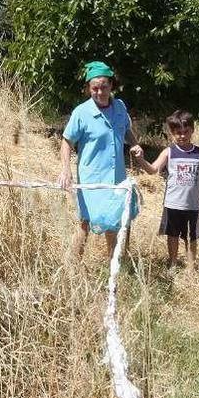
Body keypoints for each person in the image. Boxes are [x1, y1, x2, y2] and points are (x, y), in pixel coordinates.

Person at [58, 61, 143, 257]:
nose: (99, 92)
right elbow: (66, 142)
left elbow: (126, 128)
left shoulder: (120, 107)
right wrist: (66, 169)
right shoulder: (82, 113)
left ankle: (117, 263)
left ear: (111, 85)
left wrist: (134, 143)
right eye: (94, 88)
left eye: (104, 87)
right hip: (92, 178)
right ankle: (72, 267)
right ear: (88, 88)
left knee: (121, 220)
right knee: (86, 222)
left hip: (117, 177)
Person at [133, 110, 199, 269]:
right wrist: (140, 159)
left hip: (193, 205)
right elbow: (153, 169)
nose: (182, 136)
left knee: (191, 237)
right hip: (173, 203)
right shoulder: (169, 152)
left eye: (185, 132)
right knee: (173, 235)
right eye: (178, 133)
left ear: (192, 130)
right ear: (172, 133)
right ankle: (173, 263)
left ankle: (190, 267)